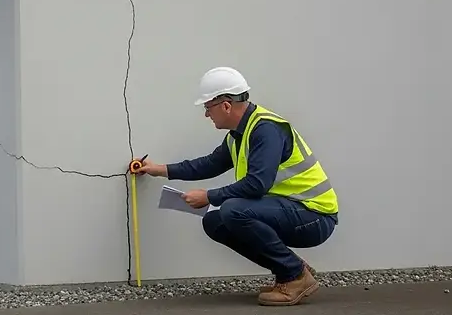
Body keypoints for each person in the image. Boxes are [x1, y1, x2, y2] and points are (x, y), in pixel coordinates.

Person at [136, 66, 339, 307]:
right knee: (214, 221)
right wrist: (160, 169)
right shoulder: (238, 135)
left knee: (233, 209)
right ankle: (290, 271)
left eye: (207, 107)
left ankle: (295, 276)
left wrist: (209, 196)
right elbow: (209, 164)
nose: (206, 115)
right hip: (291, 211)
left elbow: (257, 185)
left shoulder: (266, 130)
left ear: (226, 105)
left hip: (315, 217)